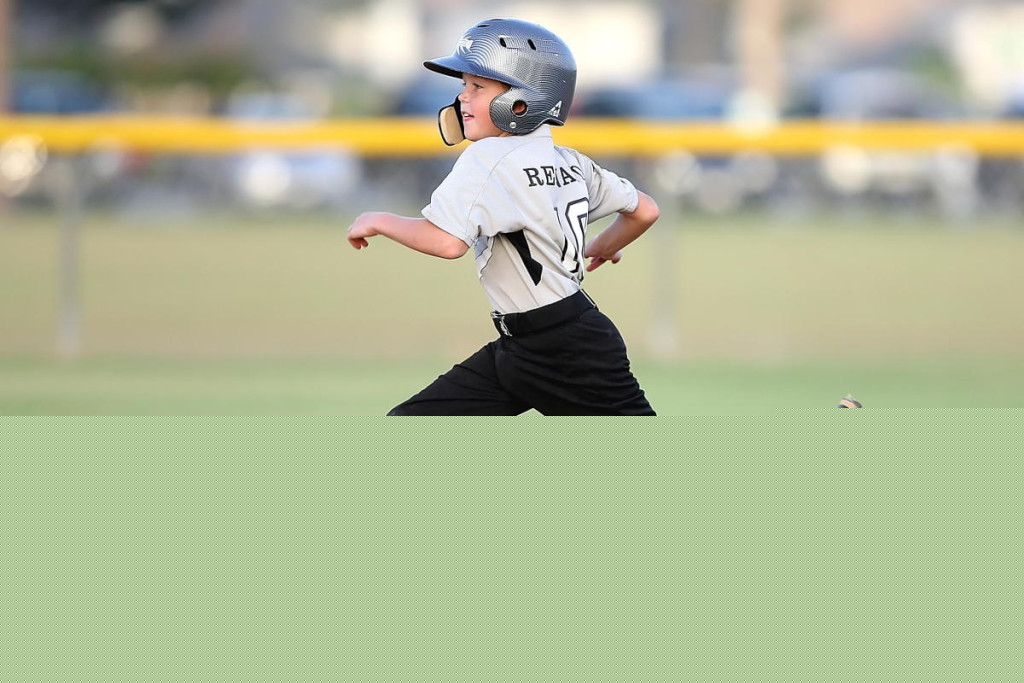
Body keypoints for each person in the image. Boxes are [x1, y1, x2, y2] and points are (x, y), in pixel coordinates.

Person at [347, 18, 660, 415]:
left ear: (523, 100)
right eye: (464, 85)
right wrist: (599, 246)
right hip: (539, 343)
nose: (463, 97)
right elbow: (645, 210)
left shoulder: (488, 158)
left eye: (478, 87)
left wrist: (380, 219)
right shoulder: (571, 161)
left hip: (564, 352)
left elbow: (447, 243)